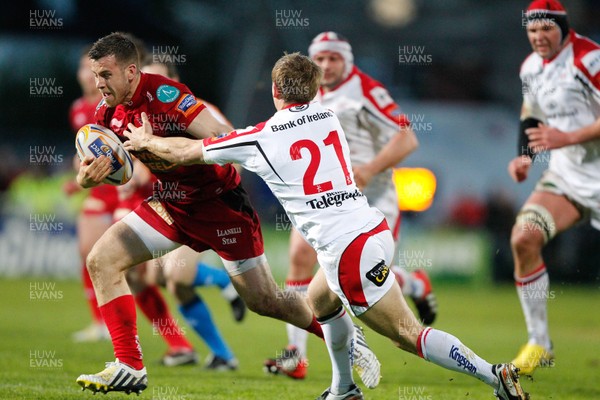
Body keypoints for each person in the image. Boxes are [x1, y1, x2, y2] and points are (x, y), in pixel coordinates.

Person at [124, 52, 529, 400]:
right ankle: (342, 388)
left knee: (407, 334)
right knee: (319, 302)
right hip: (371, 227)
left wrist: (147, 143)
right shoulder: (328, 116)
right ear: (316, 90)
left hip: (348, 251)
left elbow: (191, 150)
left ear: (274, 91)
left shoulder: (261, 136)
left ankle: (493, 374)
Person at [75, 33, 378, 395]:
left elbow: (221, 137)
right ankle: (129, 366)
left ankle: (349, 338)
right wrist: (87, 177)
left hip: (221, 207)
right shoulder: (107, 111)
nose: (99, 84)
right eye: (96, 75)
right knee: (102, 260)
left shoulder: (168, 96)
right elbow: (91, 166)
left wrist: (156, 143)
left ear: (130, 71)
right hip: (171, 204)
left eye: (105, 75)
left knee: (266, 301)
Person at [264, 31, 437, 380]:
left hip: (374, 199)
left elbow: (408, 137)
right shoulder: (309, 96)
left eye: (334, 58)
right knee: (300, 256)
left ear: (348, 60)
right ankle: (296, 354)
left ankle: (413, 283)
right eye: (321, 59)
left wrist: (370, 169)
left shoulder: (367, 91)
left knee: (365, 276)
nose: (327, 65)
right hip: (327, 197)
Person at [507, 0, 600, 376]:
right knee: (523, 239)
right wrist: (524, 156)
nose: (539, 37)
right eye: (532, 31)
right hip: (567, 179)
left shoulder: (589, 59)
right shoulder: (530, 67)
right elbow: (531, 113)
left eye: (546, 29)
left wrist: (568, 137)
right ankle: (539, 342)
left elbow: (561, 131)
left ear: (563, 27)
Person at [66, 45, 115, 342]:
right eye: (85, 68)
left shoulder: (114, 106)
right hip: (97, 192)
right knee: (87, 252)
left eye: (94, 70)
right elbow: (81, 153)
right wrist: (76, 180)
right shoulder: (77, 109)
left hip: (123, 190)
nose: (89, 75)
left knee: (146, 273)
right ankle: (100, 323)